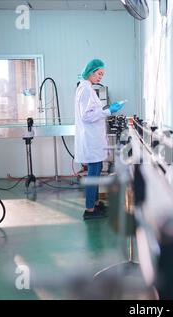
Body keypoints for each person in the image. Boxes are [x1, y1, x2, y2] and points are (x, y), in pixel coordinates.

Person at [74, 58, 125, 220]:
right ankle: (90, 209)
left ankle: (95, 203)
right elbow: (86, 116)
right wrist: (108, 111)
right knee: (93, 175)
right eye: (99, 74)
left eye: (102, 74)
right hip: (91, 140)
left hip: (93, 139)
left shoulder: (87, 88)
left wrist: (106, 109)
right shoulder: (86, 90)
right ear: (90, 72)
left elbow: (92, 111)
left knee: (95, 173)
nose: (100, 77)